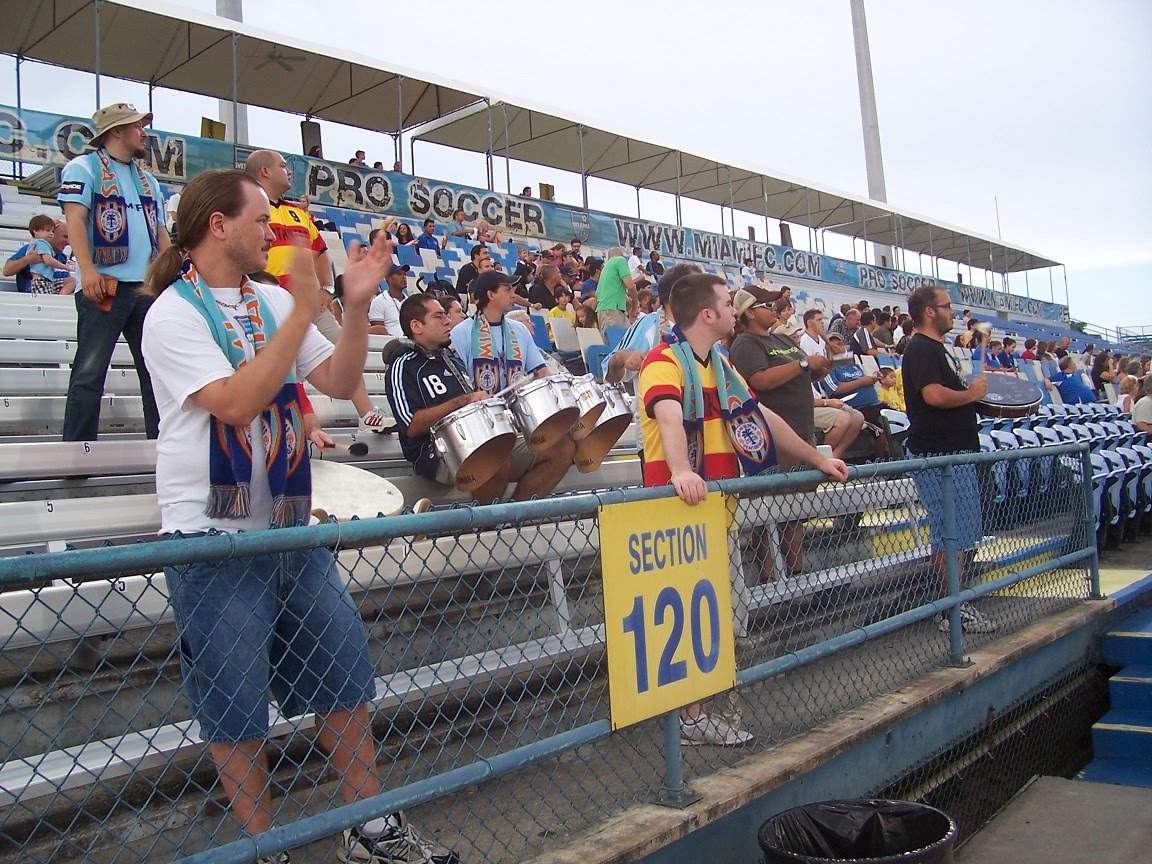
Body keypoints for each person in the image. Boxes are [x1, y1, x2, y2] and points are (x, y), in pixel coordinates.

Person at [141, 169, 459, 864]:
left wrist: (350, 309)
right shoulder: (172, 313)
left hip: (289, 521)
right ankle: (267, 847)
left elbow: (341, 383)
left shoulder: (268, 300)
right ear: (217, 226)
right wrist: (297, 314)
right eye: (260, 220)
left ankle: (371, 826)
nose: (273, 233)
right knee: (235, 706)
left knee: (344, 678)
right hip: (211, 536)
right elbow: (235, 401)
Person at [638, 272, 848, 745]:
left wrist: (817, 456)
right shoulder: (662, 360)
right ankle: (689, 719)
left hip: (713, 506)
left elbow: (761, 417)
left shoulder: (720, 365)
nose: (735, 310)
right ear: (708, 315)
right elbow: (668, 414)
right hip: (675, 511)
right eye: (727, 304)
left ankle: (694, 715)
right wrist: (680, 470)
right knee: (687, 618)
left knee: (713, 615)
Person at [244, 149, 390, 434]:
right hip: (270, 305)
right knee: (286, 365)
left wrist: (325, 288)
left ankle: (368, 413)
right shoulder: (249, 211)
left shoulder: (298, 213)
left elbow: (320, 252)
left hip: (311, 304)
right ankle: (302, 424)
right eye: (283, 166)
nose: (288, 171)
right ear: (264, 171)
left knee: (344, 348)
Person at [388, 293, 574, 504]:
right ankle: (488, 525)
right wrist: (461, 402)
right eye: (438, 316)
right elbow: (411, 425)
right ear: (416, 326)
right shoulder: (403, 365)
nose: (447, 320)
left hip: (476, 440)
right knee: (494, 452)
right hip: (438, 454)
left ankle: (517, 517)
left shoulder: (450, 358)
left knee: (561, 446)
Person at [58, 102, 171, 441]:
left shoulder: (148, 179)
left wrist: (172, 277)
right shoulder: (84, 167)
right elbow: (74, 220)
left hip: (145, 288)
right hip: (104, 285)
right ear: (117, 131)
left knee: (156, 373)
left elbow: (162, 235)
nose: (144, 133)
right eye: (138, 126)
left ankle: (163, 446)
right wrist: (87, 270)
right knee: (90, 372)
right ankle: (76, 453)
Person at [902, 285, 996, 634]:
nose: (952, 313)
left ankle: (954, 602)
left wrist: (973, 396)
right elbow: (934, 396)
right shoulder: (921, 349)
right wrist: (971, 393)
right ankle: (951, 607)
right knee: (949, 533)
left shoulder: (936, 349)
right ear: (930, 311)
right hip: (939, 456)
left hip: (953, 454)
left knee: (958, 533)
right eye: (947, 307)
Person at [728, 286, 833, 577]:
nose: (774, 307)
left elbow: (806, 371)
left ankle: (796, 572)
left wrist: (822, 365)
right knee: (771, 511)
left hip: (802, 433)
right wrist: (802, 364)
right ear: (749, 312)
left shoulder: (780, 338)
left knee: (796, 512)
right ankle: (770, 575)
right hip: (774, 441)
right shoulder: (746, 344)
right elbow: (759, 380)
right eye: (766, 304)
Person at [603, 263, 699, 385]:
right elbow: (609, 376)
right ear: (678, 294)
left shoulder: (704, 331)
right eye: (698, 290)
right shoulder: (650, 326)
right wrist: (622, 358)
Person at [24, 214, 75, 295]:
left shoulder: (41, 243)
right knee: (47, 300)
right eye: (48, 231)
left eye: (52, 231)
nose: (51, 233)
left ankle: (61, 296)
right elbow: (48, 261)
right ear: (36, 231)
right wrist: (66, 267)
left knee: (72, 281)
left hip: (49, 280)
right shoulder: (41, 243)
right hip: (40, 282)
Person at [595, 248, 635, 333]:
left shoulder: (606, 269)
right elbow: (630, 286)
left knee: (626, 339)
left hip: (607, 309)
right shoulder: (620, 260)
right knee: (617, 341)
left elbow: (597, 294)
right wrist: (635, 301)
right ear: (621, 254)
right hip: (611, 310)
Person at [368, 264, 412, 335]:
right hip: (390, 343)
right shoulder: (379, 301)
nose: (404, 277)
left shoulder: (410, 302)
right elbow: (378, 332)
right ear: (388, 278)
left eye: (404, 274)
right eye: (399, 274)